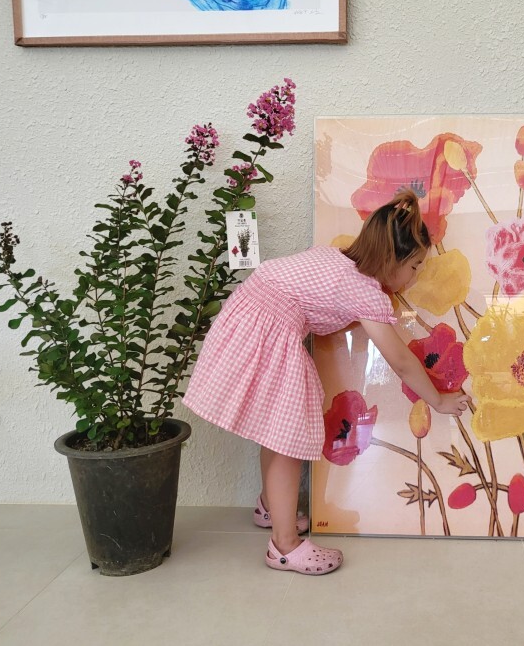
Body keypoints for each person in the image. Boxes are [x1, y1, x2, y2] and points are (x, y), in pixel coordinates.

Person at [183, 189, 470, 575]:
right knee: (286, 439)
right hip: (269, 329)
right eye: (416, 266)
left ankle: (271, 508)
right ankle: (284, 546)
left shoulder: (334, 258)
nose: (417, 275)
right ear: (391, 259)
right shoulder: (365, 291)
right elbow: (401, 362)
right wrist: (438, 400)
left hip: (248, 314)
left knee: (275, 431)